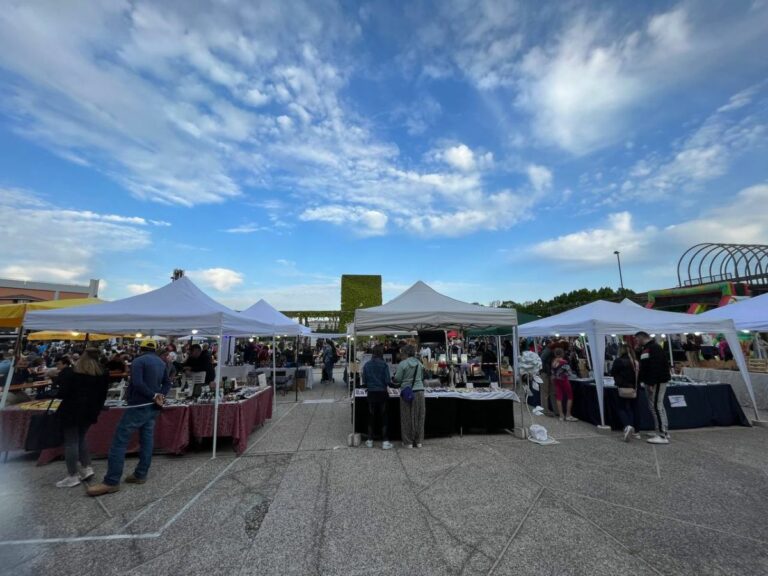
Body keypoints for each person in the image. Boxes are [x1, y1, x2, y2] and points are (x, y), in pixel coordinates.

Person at [87, 339, 171, 496]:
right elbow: (167, 383)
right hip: (153, 407)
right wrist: (160, 395)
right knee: (147, 440)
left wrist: (153, 395)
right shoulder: (161, 362)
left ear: (141, 348)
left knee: (119, 441)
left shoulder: (138, 361)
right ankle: (140, 474)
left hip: (138, 406)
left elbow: (137, 383)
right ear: (155, 349)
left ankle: (111, 481)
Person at [54, 348, 109, 488]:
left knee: (71, 442)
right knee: (81, 438)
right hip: (90, 411)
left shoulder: (72, 373)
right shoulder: (102, 373)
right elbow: (103, 395)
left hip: (72, 410)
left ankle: (72, 475)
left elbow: (62, 393)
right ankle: (86, 467)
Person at [635, 331, 671, 445]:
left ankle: (662, 434)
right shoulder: (647, 348)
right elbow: (645, 365)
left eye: (637, 339)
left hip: (657, 381)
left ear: (641, 338)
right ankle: (662, 430)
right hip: (653, 381)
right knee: (656, 406)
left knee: (656, 406)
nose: (636, 341)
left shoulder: (654, 348)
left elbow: (656, 366)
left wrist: (651, 383)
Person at [394, 345, 425, 448]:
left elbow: (397, 379)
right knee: (419, 416)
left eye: (402, 352)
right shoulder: (419, 363)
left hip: (407, 392)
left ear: (405, 353)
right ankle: (419, 441)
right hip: (420, 391)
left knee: (406, 417)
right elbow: (422, 377)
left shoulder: (403, 364)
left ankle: (408, 442)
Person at [362, 345, 392, 450]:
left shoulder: (367, 365)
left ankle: (370, 440)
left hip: (371, 393)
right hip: (382, 393)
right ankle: (385, 441)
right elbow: (387, 380)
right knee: (383, 417)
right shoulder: (384, 365)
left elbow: (364, 381)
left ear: (373, 353)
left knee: (371, 416)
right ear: (381, 353)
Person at [611, 344, 641, 442]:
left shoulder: (619, 361)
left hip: (623, 387)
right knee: (634, 409)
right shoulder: (636, 362)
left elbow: (613, 372)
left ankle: (628, 425)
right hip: (635, 388)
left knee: (621, 408)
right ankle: (636, 431)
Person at [551, 348, 578, 422]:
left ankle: (561, 415)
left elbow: (552, 373)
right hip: (564, 380)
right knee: (570, 396)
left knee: (559, 397)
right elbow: (569, 373)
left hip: (556, 381)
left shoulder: (553, 362)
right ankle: (568, 415)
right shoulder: (564, 362)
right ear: (562, 354)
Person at [539, 344, 556, 417]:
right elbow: (542, 362)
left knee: (548, 392)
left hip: (545, 373)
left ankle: (552, 410)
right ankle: (545, 410)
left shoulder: (546, 351)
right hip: (545, 373)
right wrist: (548, 373)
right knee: (546, 392)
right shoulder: (548, 352)